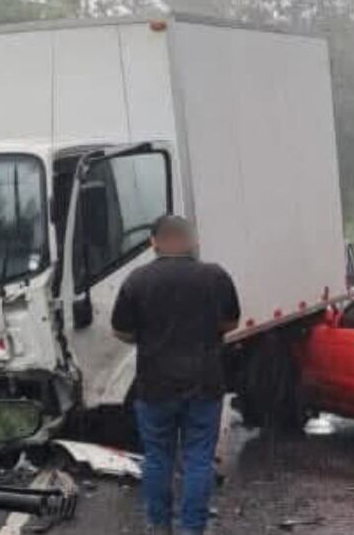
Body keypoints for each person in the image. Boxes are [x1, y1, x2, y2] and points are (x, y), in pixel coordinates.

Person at [112, 215, 241, 535]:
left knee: (157, 459)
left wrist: (148, 335)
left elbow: (121, 331)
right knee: (198, 461)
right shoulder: (215, 276)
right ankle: (193, 529)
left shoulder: (137, 280)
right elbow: (230, 323)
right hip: (204, 385)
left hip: (154, 387)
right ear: (191, 241)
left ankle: (159, 526)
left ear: (154, 243)